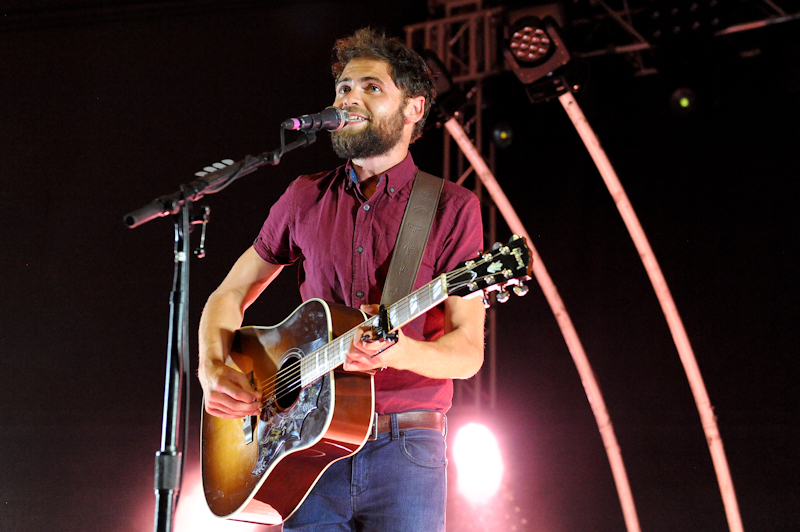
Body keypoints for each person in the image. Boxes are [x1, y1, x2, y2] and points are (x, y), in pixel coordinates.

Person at [198, 27, 485, 531]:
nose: (350, 98)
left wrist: (397, 351)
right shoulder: (303, 196)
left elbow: (467, 352)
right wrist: (211, 369)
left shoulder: (451, 207)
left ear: (414, 109)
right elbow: (229, 294)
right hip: (303, 444)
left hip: (407, 449)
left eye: (372, 87)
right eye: (344, 89)